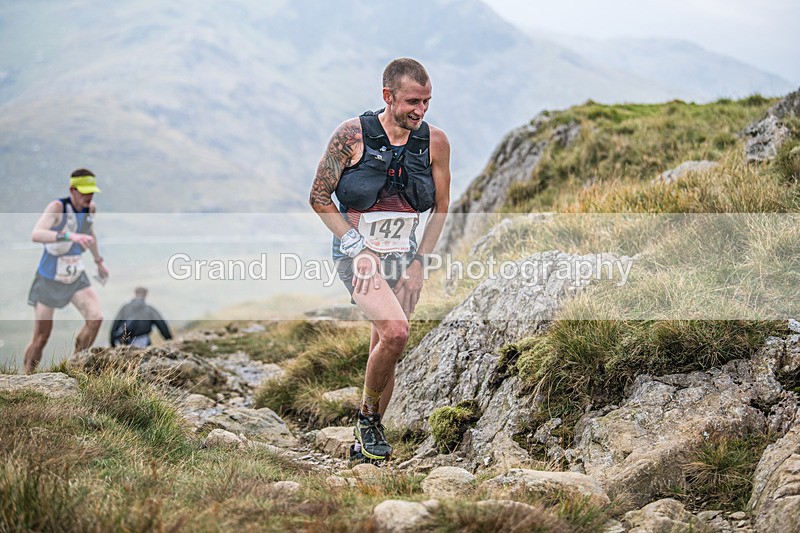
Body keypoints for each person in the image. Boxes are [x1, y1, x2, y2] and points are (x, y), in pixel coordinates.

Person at [309, 58, 451, 461]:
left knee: (385, 343)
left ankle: (365, 450)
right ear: (387, 96)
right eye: (412, 102)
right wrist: (359, 248)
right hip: (356, 253)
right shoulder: (351, 136)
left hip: (405, 255)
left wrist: (421, 262)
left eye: (426, 102)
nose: (420, 111)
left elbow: (441, 207)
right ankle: (369, 418)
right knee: (396, 332)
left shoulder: (435, 142)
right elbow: (318, 198)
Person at [25, 168, 109, 374]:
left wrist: (99, 261)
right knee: (42, 337)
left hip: (75, 274)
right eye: (84, 192)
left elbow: (90, 234)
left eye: (92, 192)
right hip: (49, 277)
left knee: (96, 318)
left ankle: (76, 365)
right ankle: (27, 377)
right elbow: (37, 234)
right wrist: (69, 236)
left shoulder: (90, 209)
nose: (89, 196)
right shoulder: (57, 207)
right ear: (72, 190)